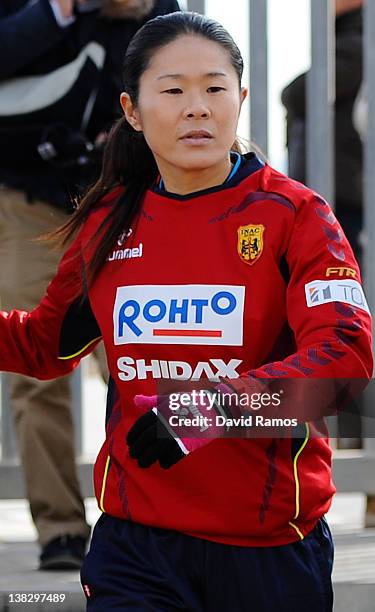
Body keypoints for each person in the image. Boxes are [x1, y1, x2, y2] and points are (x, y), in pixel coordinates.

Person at [0, 11, 373, 611]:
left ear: (241, 98)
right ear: (132, 110)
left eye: (215, 88)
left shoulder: (297, 216)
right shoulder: (107, 225)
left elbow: (342, 364)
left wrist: (209, 411)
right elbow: (45, 345)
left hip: (268, 548)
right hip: (135, 550)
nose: (196, 107)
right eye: (172, 90)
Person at [0, 0, 180, 570]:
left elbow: (176, 59)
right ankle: (60, 531)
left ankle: (148, 517)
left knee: (144, 358)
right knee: (36, 371)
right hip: (24, 202)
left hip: (119, 201)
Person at [281, 0, 364, 261]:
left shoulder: (364, 38)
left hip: (345, 191)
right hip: (341, 187)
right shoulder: (348, 36)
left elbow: (299, 93)